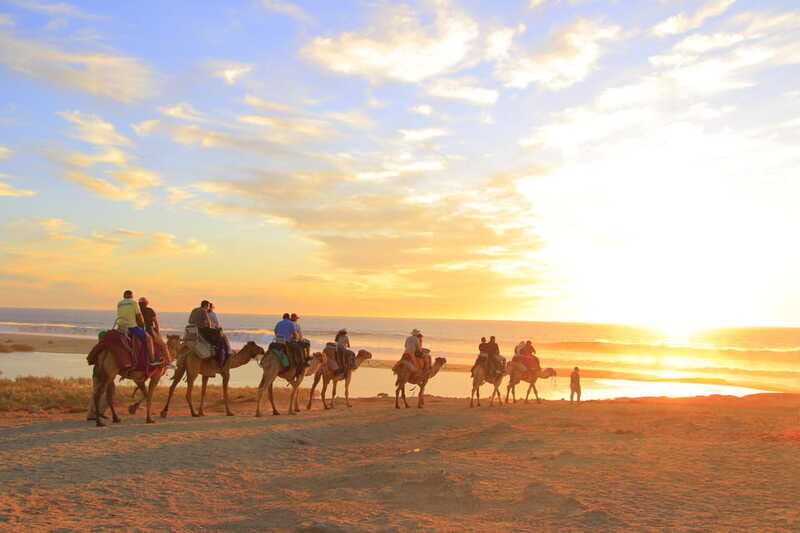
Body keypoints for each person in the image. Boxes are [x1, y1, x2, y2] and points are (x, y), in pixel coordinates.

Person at [117, 290, 159, 366]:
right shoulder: (133, 303)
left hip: (120, 327)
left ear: (124, 296)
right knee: (149, 339)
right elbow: (139, 316)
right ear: (131, 296)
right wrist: (142, 324)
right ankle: (152, 360)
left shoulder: (119, 303)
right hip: (131, 327)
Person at [208, 302, 230, 367]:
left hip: (206, 331)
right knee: (223, 344)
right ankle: (222, 361)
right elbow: (217, 324)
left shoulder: (204, 314)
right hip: (213, 332)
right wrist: (220, 329)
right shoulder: (212, 314)